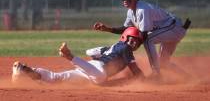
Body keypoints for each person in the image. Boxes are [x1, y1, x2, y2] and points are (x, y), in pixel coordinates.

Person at [93, 0, 191, 78]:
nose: (124, 0)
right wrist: (107, 29)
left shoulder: (142, 9)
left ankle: (156, 75)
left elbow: (143, 34)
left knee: (148, 40)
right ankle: (188, 78)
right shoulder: (131, 12)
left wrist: (129, 48)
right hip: (170, 30)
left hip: (175, 28)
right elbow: (125, 28)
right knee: (163, 63)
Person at [12, 27, 145, 85]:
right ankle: (69, 56)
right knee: (100, 76)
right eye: (132, 40)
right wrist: (147, 80)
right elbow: (135, 70)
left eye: (137, 41)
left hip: (90, 70)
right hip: (98, 70)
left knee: (55, 78)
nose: (134, 43)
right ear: (125, 37)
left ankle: (24, 70)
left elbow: (89, 52)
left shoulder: (113, 47)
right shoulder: (126, 48)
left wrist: (104, 52)